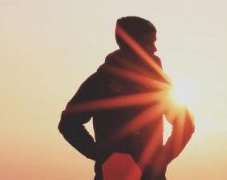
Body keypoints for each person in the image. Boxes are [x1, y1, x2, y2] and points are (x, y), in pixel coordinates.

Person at [58, 16, 195, 180]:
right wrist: (97, 153)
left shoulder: (160, 83)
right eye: (149, 42)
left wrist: (162, 158)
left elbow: (185, 123)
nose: (155, 48)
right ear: (133, 45)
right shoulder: (100, 82)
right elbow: (69, 123)